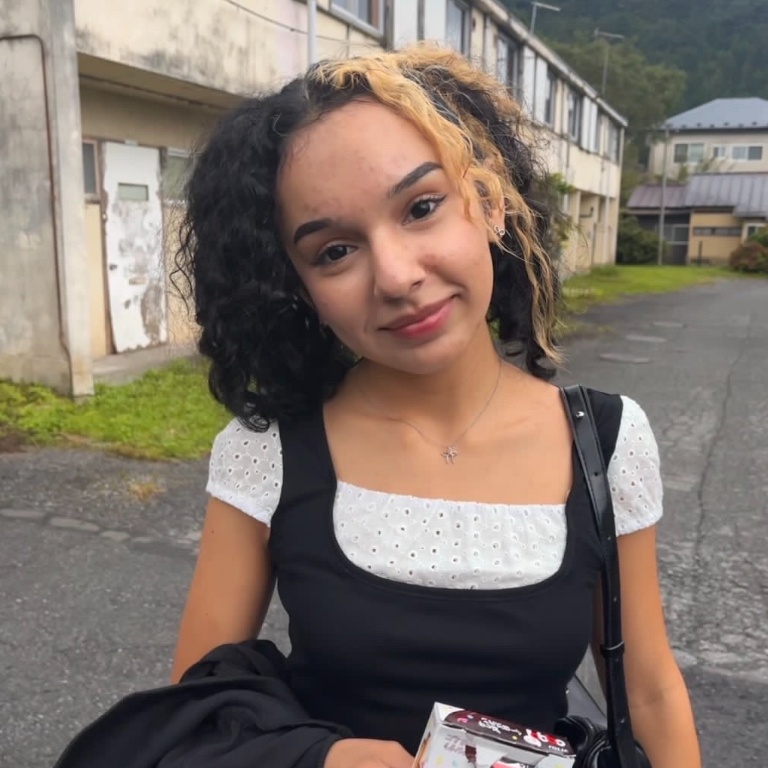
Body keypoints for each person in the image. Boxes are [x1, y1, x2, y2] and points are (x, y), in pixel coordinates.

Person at [171, 44, 701, 768]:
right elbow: (195, 708)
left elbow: (650, 691)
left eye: (421, 208)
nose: (395, 276)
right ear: (295, 285)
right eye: (333, 252)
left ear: (487, 202)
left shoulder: (605, 441)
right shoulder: (267, 449)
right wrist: (331, 761)